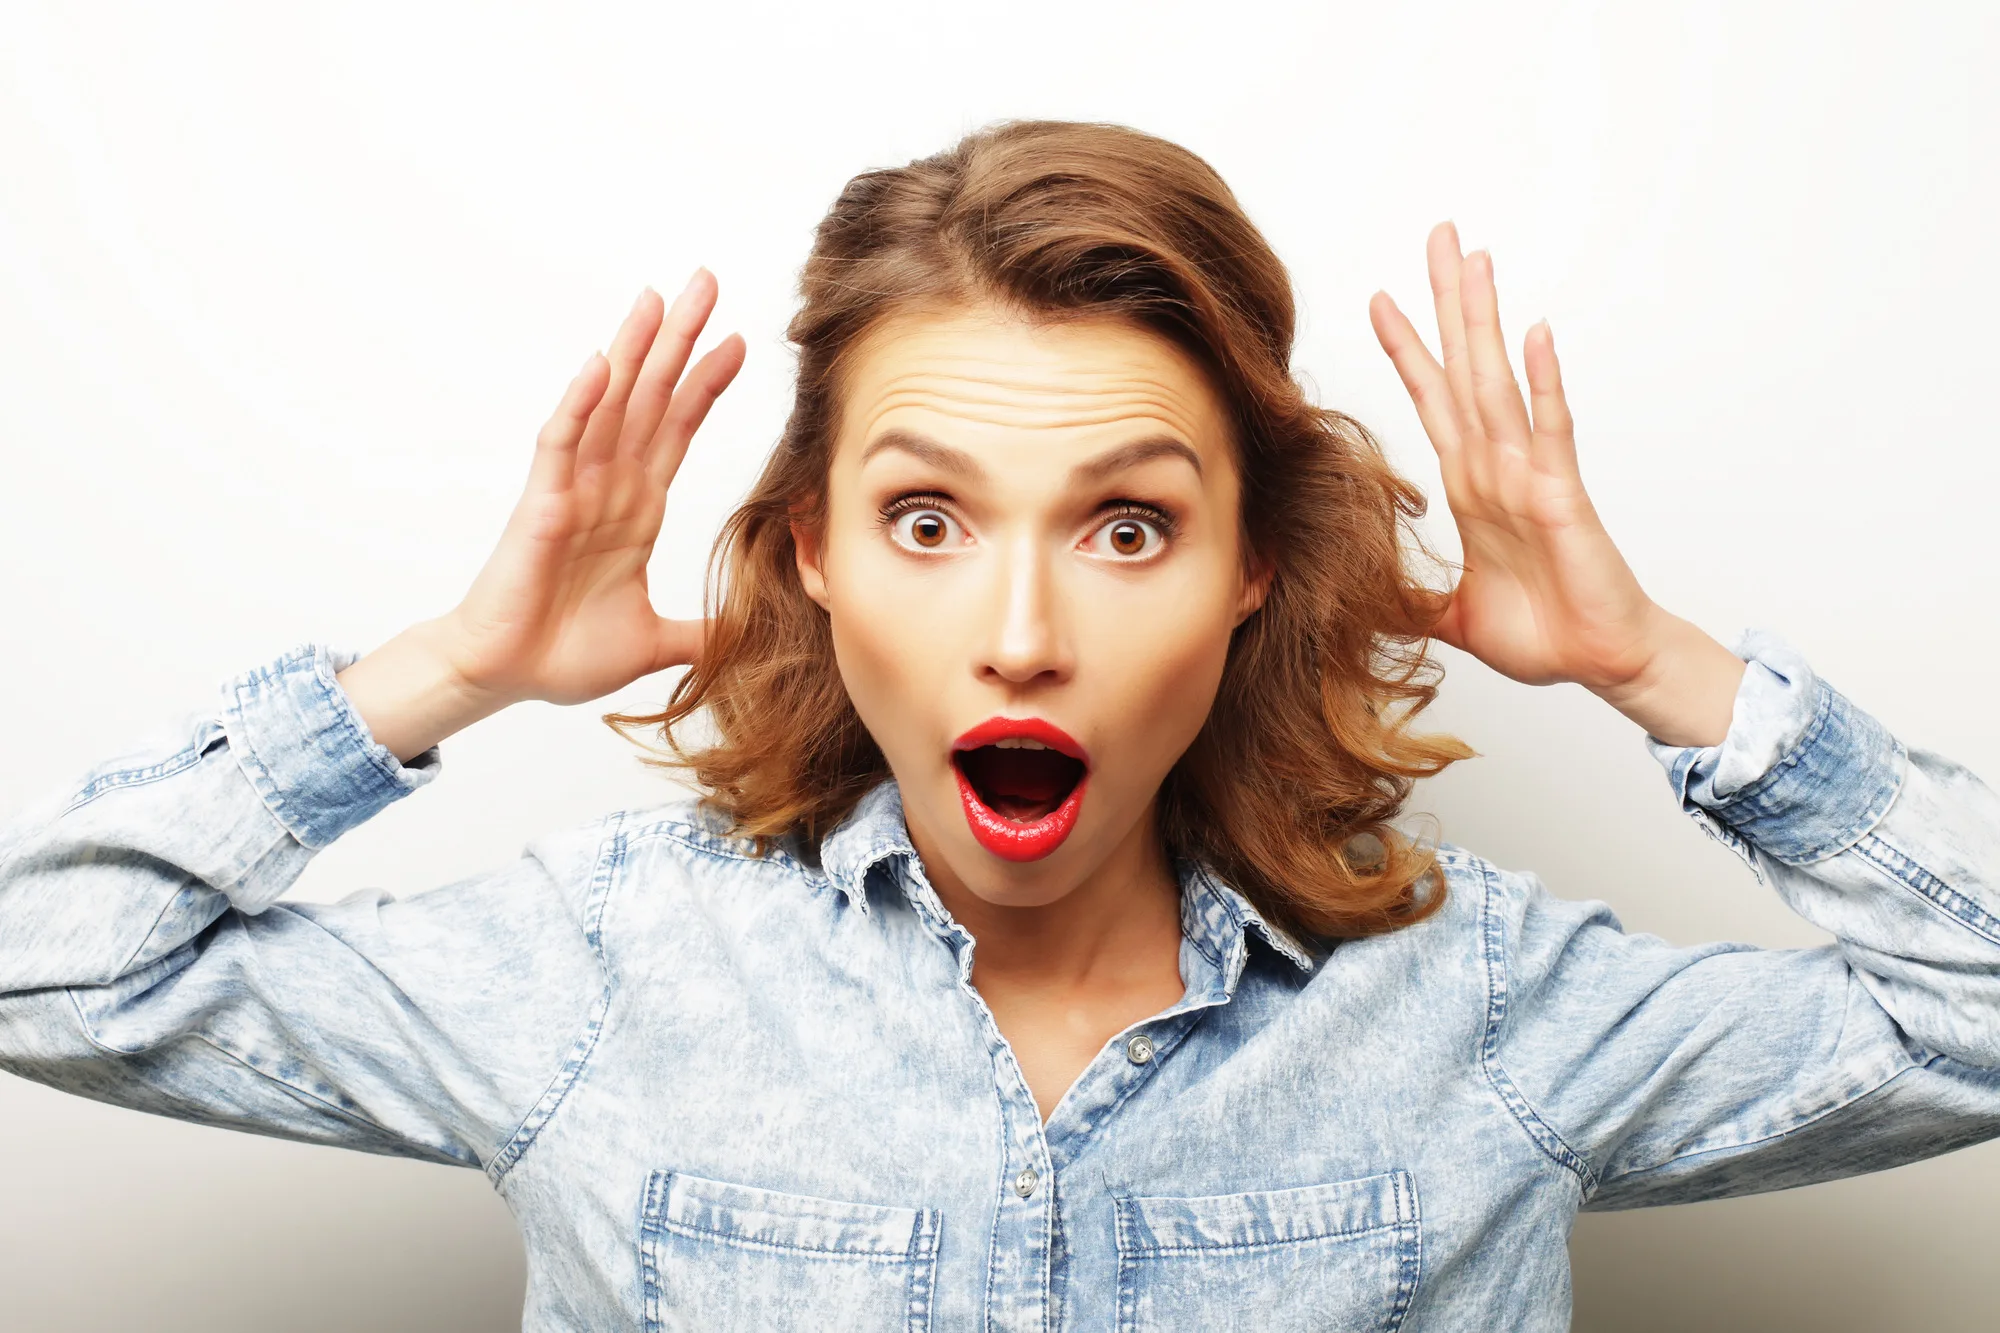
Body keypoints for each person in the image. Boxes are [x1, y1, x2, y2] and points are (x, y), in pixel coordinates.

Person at [1, 118, 1995, 1333]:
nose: (1021, 634)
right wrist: (453, 662)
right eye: (927, 521)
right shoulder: (602, 973)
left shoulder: (1484, 1007)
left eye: (1127, 524)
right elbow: (38, 973)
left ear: (1247, 574)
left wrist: (1659, 667)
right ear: (807, 559)